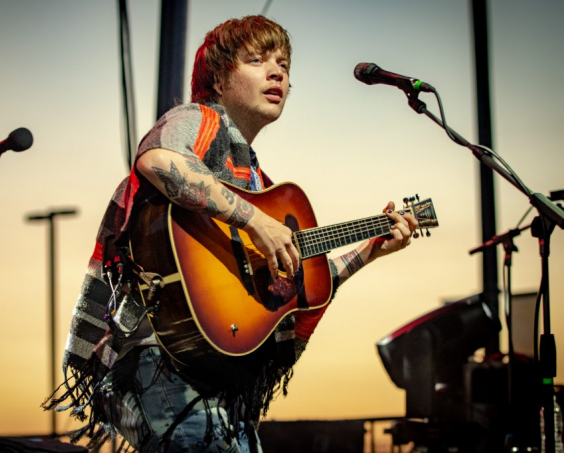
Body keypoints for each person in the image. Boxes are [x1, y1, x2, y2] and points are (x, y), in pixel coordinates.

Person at [44, 15, 418, 452]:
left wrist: (370, 250)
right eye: (257, 60)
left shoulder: (255, 184)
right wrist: (256, 222)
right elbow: (158, 161)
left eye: (283, 64)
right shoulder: (198, 119)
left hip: (218, 381)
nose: (277, 71)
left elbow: (299, 290)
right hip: (163, 359)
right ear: (219, 79)